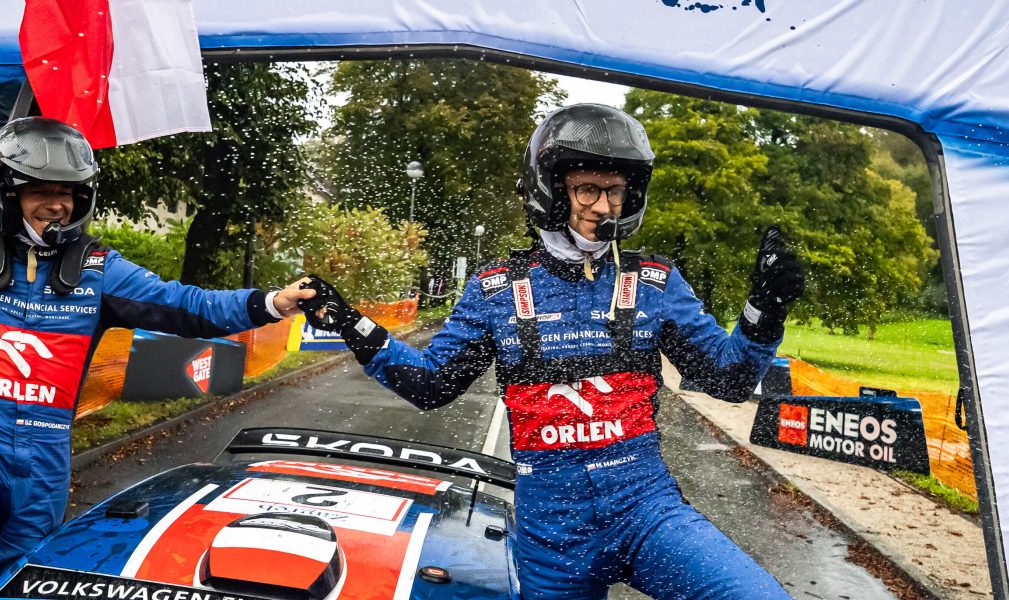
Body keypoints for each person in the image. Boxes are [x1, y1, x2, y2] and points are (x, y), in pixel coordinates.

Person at [299, 103, 802, 599]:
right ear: (552, 190)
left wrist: (765, 310)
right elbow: (431, 384)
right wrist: (351, 323)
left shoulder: (654, 282)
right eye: (588, 189)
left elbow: (728, 380)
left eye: (615, 191)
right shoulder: (495, 289)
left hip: (646, 512)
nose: (603, 207)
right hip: (552, 537)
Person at [0, 117, 317, 599]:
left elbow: (190, 306)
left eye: (67, 193)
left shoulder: (100, 270)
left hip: (46, 455)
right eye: (40, 191)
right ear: (7, 193)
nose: (56, 204)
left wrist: (274, 302)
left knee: (25, 583)